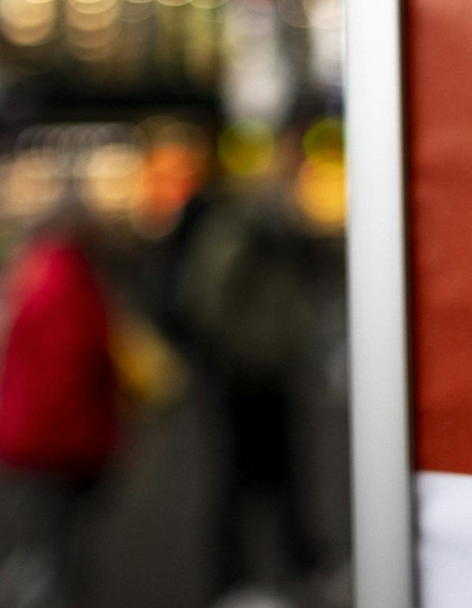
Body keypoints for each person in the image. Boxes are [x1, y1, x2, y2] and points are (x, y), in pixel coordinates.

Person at [160, 127, 320, 608]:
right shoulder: (241, 229)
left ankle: (289, 569)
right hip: (244, 375)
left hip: (264, 370)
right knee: (242, 482)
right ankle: (237, 580)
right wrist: (245, 348)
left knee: (279, 479)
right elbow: (208, 299)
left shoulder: (265, 231)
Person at [0, 216, 119, 608]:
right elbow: (72, 369)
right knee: (57, 545)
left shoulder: (31, 274)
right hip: (62, 439)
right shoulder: (69, 284)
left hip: (32, 431)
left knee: (50, 536)